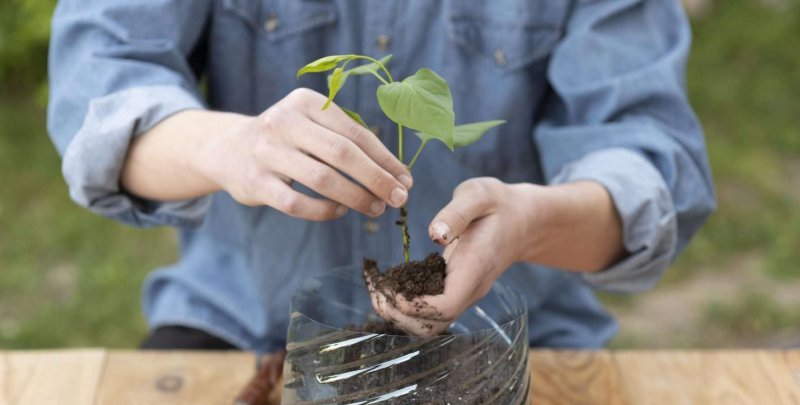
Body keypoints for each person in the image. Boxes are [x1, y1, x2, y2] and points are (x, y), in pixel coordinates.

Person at [47, 0, 715, 351]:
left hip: (510, 335)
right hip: (246, 326)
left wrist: (531, 224)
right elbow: (97, 90)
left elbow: (649, 163)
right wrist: (226, 147)